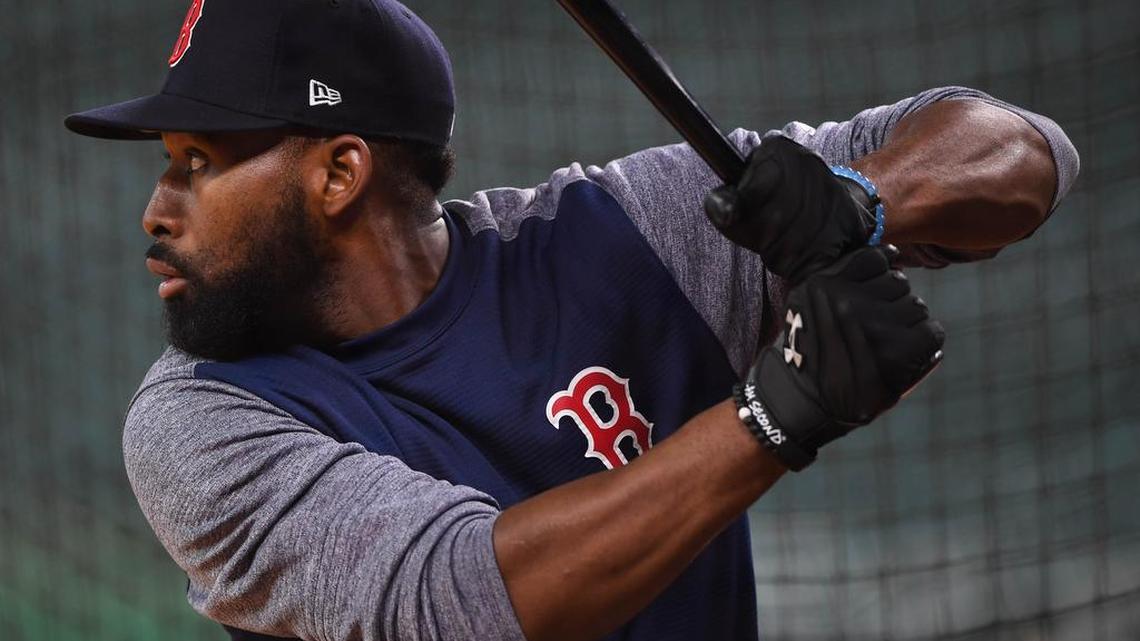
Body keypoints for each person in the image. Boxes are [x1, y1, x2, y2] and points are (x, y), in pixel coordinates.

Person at [64, 1, 1078, 640]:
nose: (156, 207)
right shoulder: (204, 420)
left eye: (198, 161)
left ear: (339, 171)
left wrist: (856, 197)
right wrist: (775, 417)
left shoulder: (614, 235)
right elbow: (464, 602)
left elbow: (1026, 152)